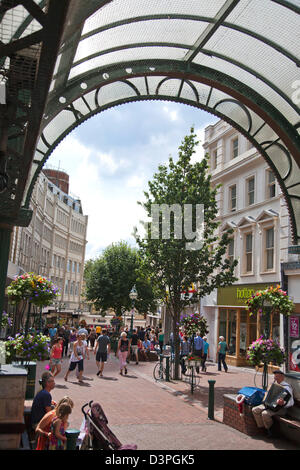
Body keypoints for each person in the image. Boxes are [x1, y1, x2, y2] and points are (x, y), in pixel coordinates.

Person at [252, 370, 294, 437]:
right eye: (275, 376)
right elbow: (267, 394)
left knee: (265, 414)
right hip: (268, 405)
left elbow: (291, 403)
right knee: (255, 410)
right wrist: (266, 396)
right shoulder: (273, 384)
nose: (275, 378)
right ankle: (262, 428)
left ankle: (270, 431)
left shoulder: (287, 388)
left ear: (282, 377)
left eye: (277, 376)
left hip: (280, 409)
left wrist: (283, 403)